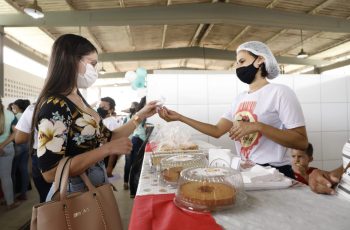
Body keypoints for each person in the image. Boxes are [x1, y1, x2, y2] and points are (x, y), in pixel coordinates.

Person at [31, 34, 157, 202]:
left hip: (92, 186)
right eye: (92, 63)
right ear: (70, 60)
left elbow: (109, 136)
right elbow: (50, 172)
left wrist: (140, 116)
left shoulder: (77, 98)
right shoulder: (56, 104)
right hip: (74, 193)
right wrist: (106, 150)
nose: (94, 71)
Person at [159, 41, 308, 178]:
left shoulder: (280, 92)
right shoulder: (240, 98)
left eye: (242, 61)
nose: (237, 66)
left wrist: (258, 126)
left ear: (260, 60)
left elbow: (301, 142)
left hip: (275, 171)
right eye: (236, 63)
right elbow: (216, 130)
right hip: (248, 169)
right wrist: (180, 117)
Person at [15, 103, 52, 203]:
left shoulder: (34, 108)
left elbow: (19, 138)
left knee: (45, 196)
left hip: (40, 155)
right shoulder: (75, 104)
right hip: (71, 158)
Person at [0, 99, 20, 210]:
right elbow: (16, 132)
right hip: (7, 148)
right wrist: (2, 145)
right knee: (6, 177)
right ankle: (10, 203)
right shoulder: (10, 114)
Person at [97, 96, 123, 177]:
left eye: (104, 107)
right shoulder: (100, 120)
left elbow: (114, 146)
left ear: (111, 110)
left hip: (106, 157)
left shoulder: (112, 123)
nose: (101, 109)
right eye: (100, 106)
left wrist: (110, 167)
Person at [11, 99, 31, 200]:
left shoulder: (17, 116)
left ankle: (11, 195)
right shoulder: (26, 114)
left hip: (18, 145)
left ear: (18, 106)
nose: (13, 107)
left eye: (14, 106)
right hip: (26, 145)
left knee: (12, 171)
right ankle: (24, 192)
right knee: (24, 169)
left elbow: (15, 133)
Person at [123, 101, 139, 190]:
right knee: (132, 164)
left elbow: (123, 128)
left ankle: (126, 182)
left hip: (128, 141)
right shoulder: (137, 117)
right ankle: (130, 184)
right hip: (133, 141)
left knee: (128, 163)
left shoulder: (128, 117)